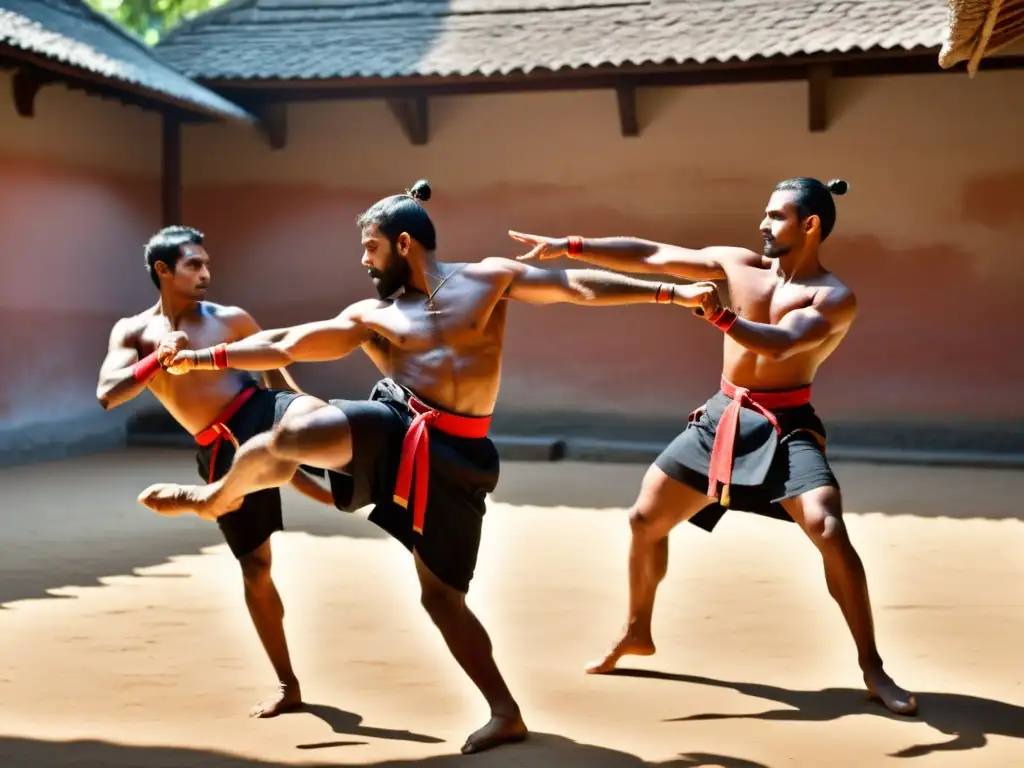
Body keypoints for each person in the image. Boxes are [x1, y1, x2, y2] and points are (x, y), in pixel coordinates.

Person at [135, 180, 718, 754]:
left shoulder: (487, 280)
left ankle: (505, 713)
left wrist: (673, 293)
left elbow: (575, 287)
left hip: (459, 457)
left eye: (370, 247)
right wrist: (202, 359)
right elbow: (288, 342)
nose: (364, 260)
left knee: (441, 598)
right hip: (394, 422)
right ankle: (216, 498)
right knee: (286, 433)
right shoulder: (376, 313)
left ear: (404, 242)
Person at [507, 177, 917, 716]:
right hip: (722, 417)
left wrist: (718, 315)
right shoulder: (737, 264)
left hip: (785, 423)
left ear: (810, 225)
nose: (763, 225)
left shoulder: (832, 297)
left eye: (776, 216)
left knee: (828, 528)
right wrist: (573, 245)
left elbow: (783, 345)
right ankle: (637, 631)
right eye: (764, 215)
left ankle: (872, 666)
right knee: (644, 520)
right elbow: (654, 255)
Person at [95, 225, 333, 718]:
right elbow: (108, 393)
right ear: (163, 271)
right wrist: (156, 363)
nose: (206, 273)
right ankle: (289, 686)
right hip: (217, 448)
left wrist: (299, 422)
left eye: (207, 264)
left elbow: (275, 371)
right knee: (256, 569)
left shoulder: (231, 318)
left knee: (329, 438)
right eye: (193, 265)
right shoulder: (133, 332)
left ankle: (349, 469)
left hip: (261, 412)